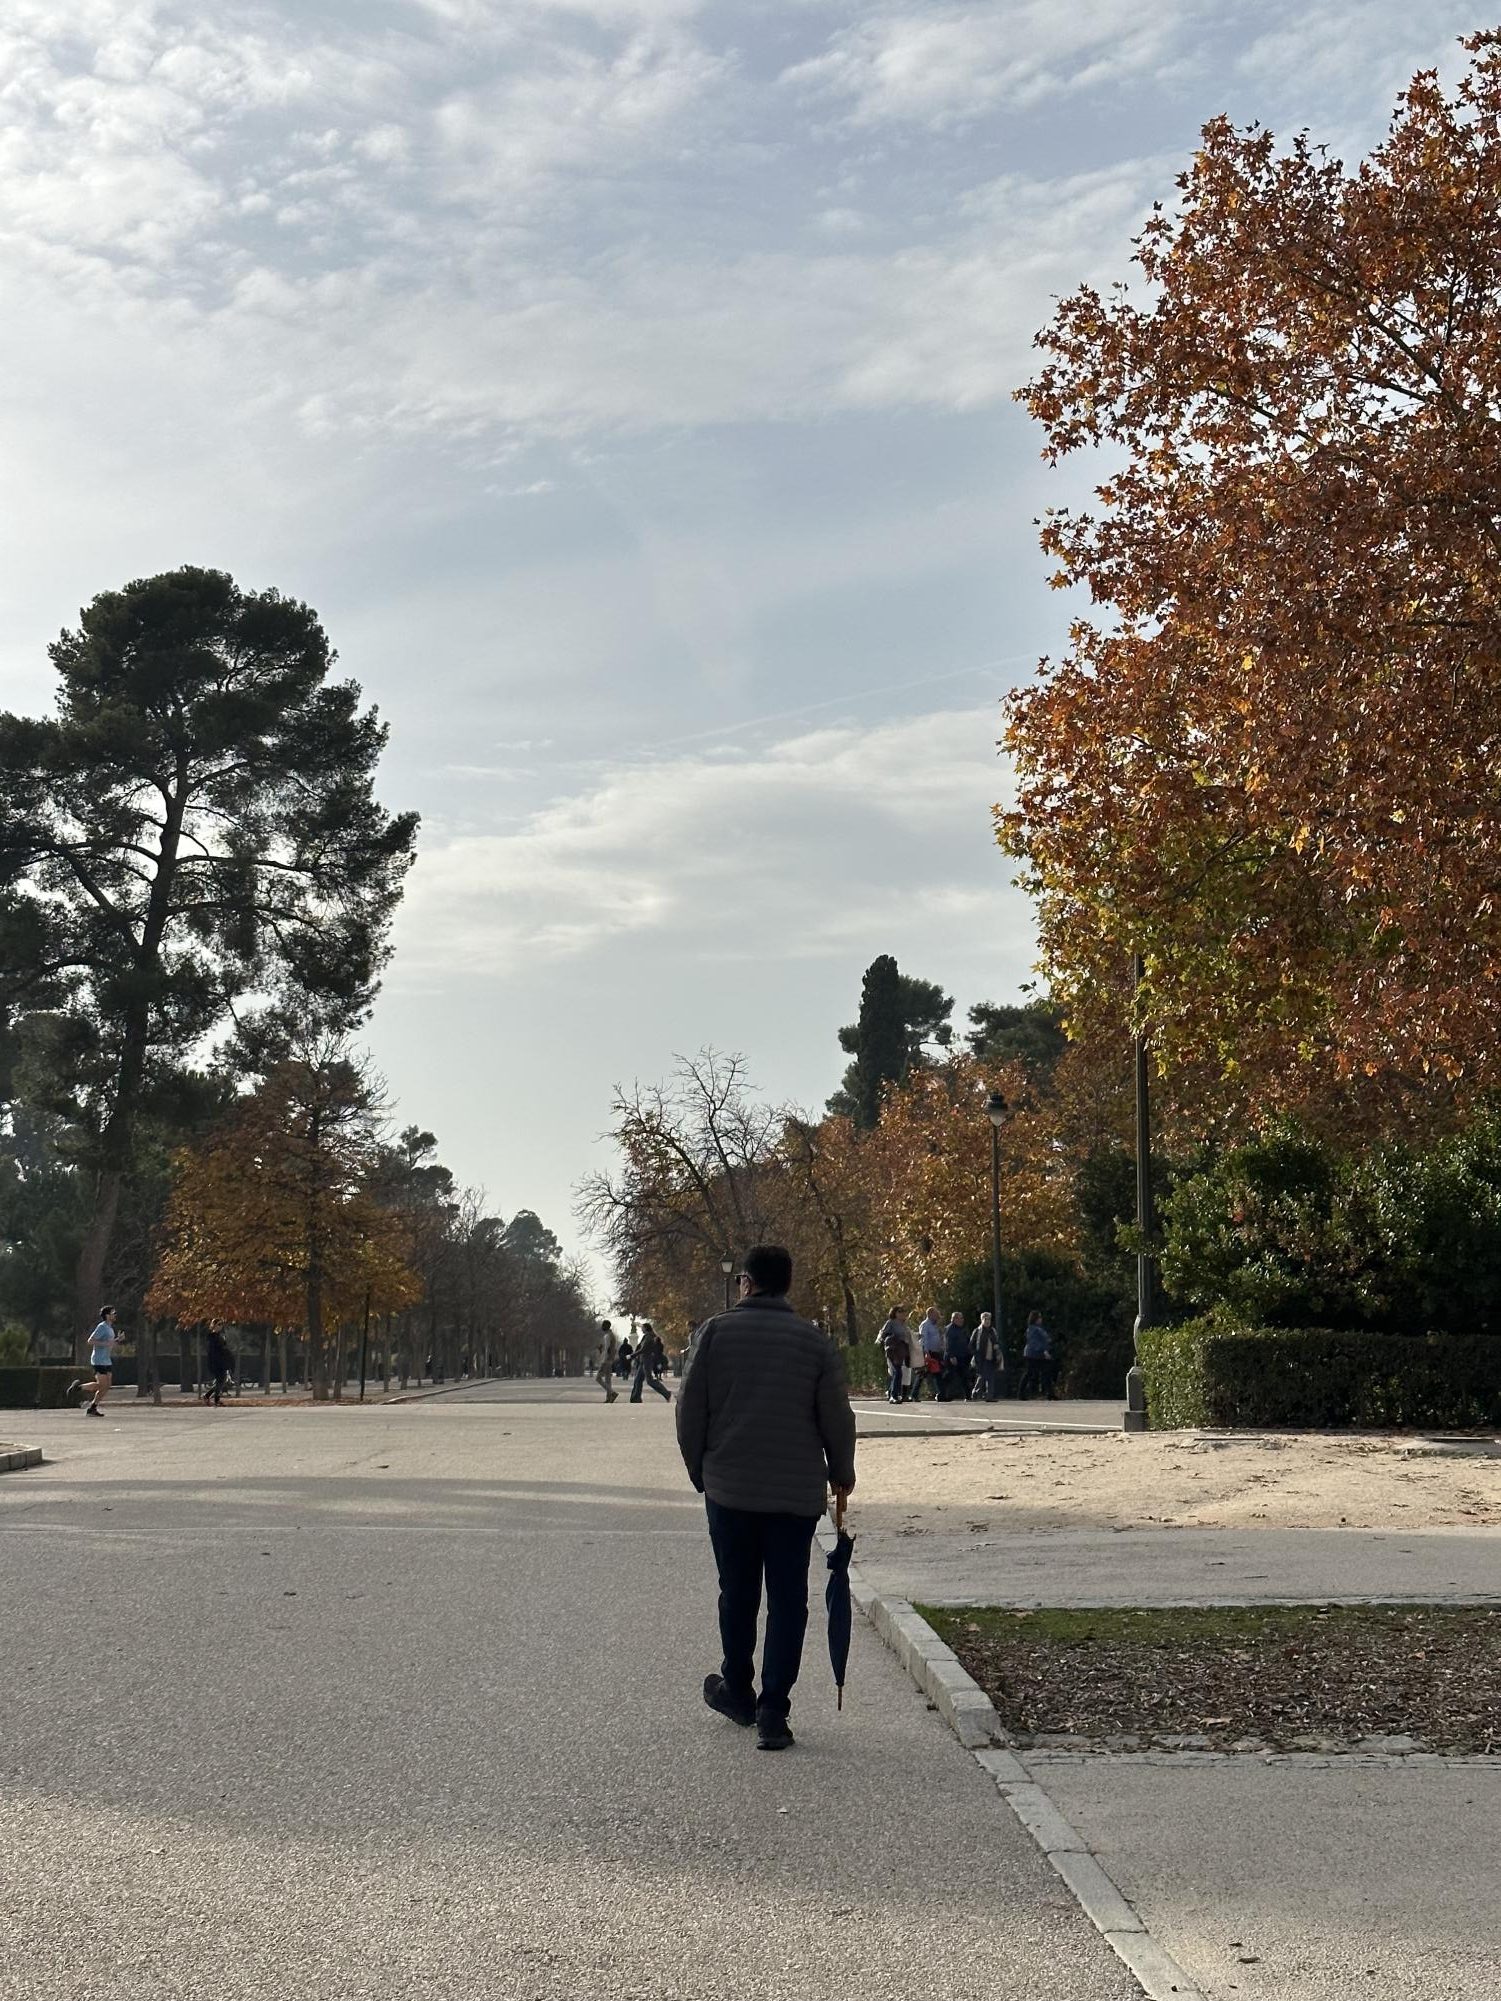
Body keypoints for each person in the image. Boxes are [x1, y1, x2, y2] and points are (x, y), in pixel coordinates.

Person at [676, 1243, 856, 1752]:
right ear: (787, 1285)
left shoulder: (714, 1333)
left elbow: (691, 1410)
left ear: (747, 1283)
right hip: (794, 1495)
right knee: (787, 1599)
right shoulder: (813, 1342)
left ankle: (737, 1688)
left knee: (737, 1593)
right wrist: (841, 1471)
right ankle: (774, 1710)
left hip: (730, 1488)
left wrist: (700, 1470)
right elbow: (837, 1417)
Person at [71, 1307, 118, 1417]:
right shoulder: (102, 1327)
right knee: (101, 1385)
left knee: (106, 1386)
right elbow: (90, 1341)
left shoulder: (110, 1328)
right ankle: (78, 1388)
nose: (115, 1315)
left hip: (107, 1360)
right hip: (98, 1360)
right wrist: (106, 1343)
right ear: (107, 1315)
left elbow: (109, 1343)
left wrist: (117, 1340)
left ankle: (92, 1408)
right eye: (113, 1313)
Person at [629, 1322, 672, 1404]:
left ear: (646, 1328)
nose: (641, 1329)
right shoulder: (647, 1336)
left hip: (646, 1361)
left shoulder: (648, 1337)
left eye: (642, 1328)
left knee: (650, 1381)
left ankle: (666, 1393)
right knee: (638, 1380)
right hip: (643, 1361)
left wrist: (631, 1356)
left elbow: (643, 1350)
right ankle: (635, 1399)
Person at [878, 1307, 911, 1404]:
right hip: (892, 1350)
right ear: (895, 1313)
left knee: (898, 1372)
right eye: (899, 1312)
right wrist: (890, 1338)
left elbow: (907, 1336)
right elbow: (883, 1335)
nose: (902, 1314)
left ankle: (894, 1394)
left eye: (903, 1312)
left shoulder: (904, 1325)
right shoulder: (891, 1323)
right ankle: (894, 1395)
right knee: (897, 1371)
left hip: (901, 1350)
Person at [1019, 1311, 1053, 1399]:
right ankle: (1021, 1393)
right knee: (1030, 1373)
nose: (1041, 1319)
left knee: (1045, 1372)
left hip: (1037, 1354)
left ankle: (1049, 1393)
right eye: (1039, 1317)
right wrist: (1044, 1351)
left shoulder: (1038, 1328)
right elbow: (1035, 1342)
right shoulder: (1033, 1329)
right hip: (1033, 1354)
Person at [970, 1311, 1002, 1401]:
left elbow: (996, 1342)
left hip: (991, 1357)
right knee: (982, 1376)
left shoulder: (993, 1331)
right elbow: (971, 1345)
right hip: (981, 1358)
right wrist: (976, 1354)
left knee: (991, 1377)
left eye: (989, 1319)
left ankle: (989, 1396)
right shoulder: (977, 1331)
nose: (987, 1321)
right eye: (985, 1319)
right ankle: (975, 1392)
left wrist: (997, 1351)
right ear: (982, 1320)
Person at [914, 1306, 944, 1400]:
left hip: (935, 1352)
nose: (937, 1316)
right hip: (928, 1352)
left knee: (937, 1373)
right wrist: (926, 1352)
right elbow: (924, 1339)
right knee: (922, 1373)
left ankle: (941, 1394)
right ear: (930, 1314)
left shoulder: (934, 1325)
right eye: (936, 1314)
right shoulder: (925, 1325)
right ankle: (914, 1394)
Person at [941, 1311, 971, 1401]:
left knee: (964, 1376)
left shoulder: (961, 1329)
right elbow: (948, 1344)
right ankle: (943, 1394)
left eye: (962, 1318)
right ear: (954, 1319)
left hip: (962, 1356)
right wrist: (952, 1356)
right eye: (960, 1318)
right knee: (950, 1376)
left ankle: (968, 1396)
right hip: (953, 1357)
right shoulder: (950, 1329)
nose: (962, 1320)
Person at [203, 1325, 235, 1406]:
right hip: (216, 1363)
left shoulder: (219, 1336)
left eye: (221, 1325)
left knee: (221, 1381)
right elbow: (215, 1350)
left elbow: (223, 1347)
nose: (220, 1327)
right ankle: (215, 1399)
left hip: (221, 1362)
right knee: (221, 1380)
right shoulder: (213, 1337)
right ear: (214, 1326)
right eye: (218, 1325)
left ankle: (208, 1396)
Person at [594, 1320, 620, 1403]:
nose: (602, 1327)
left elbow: (607, 1349)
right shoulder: (611, 1335)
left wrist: (603, 1360)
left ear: (606, 1326)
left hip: (606, 1360)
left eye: (603, 1325)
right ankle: (609, 1397)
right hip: (610, 1359)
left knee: (598, 1378)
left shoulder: (607, 1336)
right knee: (608, 1379)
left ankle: (612, 1393)